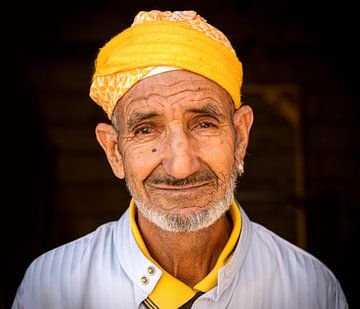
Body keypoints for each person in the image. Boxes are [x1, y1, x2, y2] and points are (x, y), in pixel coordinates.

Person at [12, 10, 347, 309]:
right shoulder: (53, 288)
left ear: (240, 137)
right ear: (114, 151)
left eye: (203, 124)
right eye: (145, 130)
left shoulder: (310, 289)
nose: (181, 166)